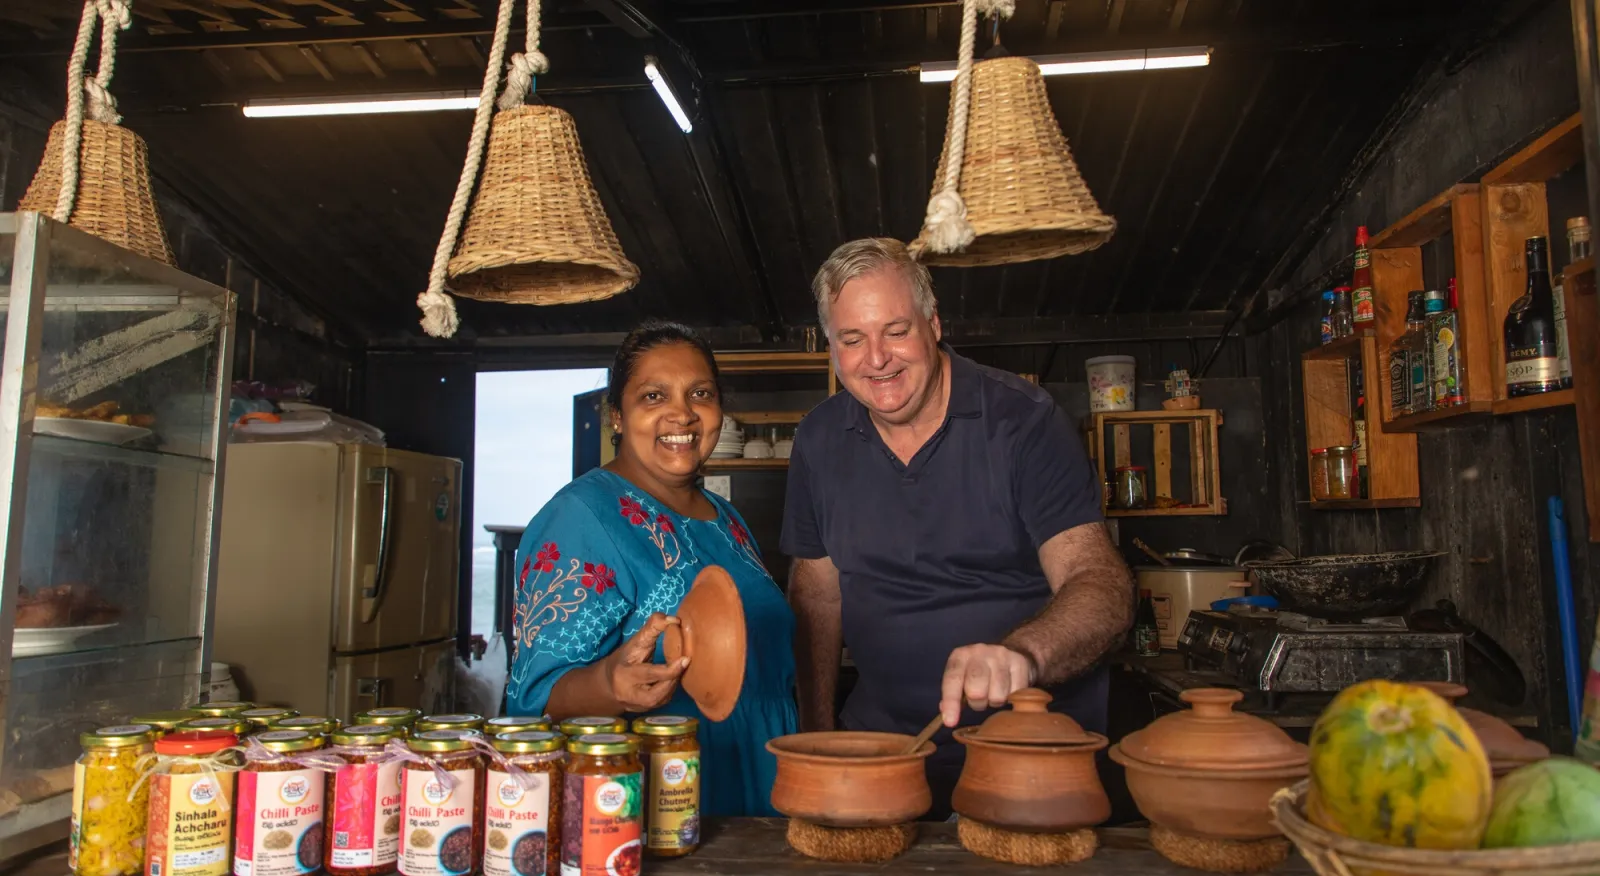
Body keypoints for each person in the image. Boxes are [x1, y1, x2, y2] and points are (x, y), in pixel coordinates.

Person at [781, 238, 1135, 821]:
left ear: (934, 324)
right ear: (832, 347)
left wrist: (1022, 653)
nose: (877, 359)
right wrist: (818, 740)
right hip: (882, 755)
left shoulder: (1025, 420)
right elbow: (817, 594)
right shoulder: (818, 440)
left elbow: (1100, 582)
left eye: (896, 330)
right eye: (852, 339)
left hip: (1026, 756)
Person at [506, 321, 799, 817]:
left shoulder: (724, 517)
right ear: (616, 416)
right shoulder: (583, 516)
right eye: (653, 396)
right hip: (676, 799)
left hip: (770, 780)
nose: (681, 413)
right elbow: (533, 698)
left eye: (699, 393)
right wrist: (608, 684)